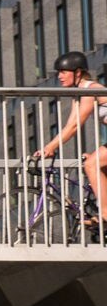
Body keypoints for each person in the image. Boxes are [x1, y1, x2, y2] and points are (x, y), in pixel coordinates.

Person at [35, 51, 107, 219]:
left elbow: (75, 126)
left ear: (78, 72)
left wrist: (50, 147)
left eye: (63, 72)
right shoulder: (80, 93)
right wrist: (50, 146)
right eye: (58, 72)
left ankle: (104, 214)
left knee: (91, 164)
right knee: (97, 164)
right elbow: (69, 125)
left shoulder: (90, 90)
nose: (59, 76)